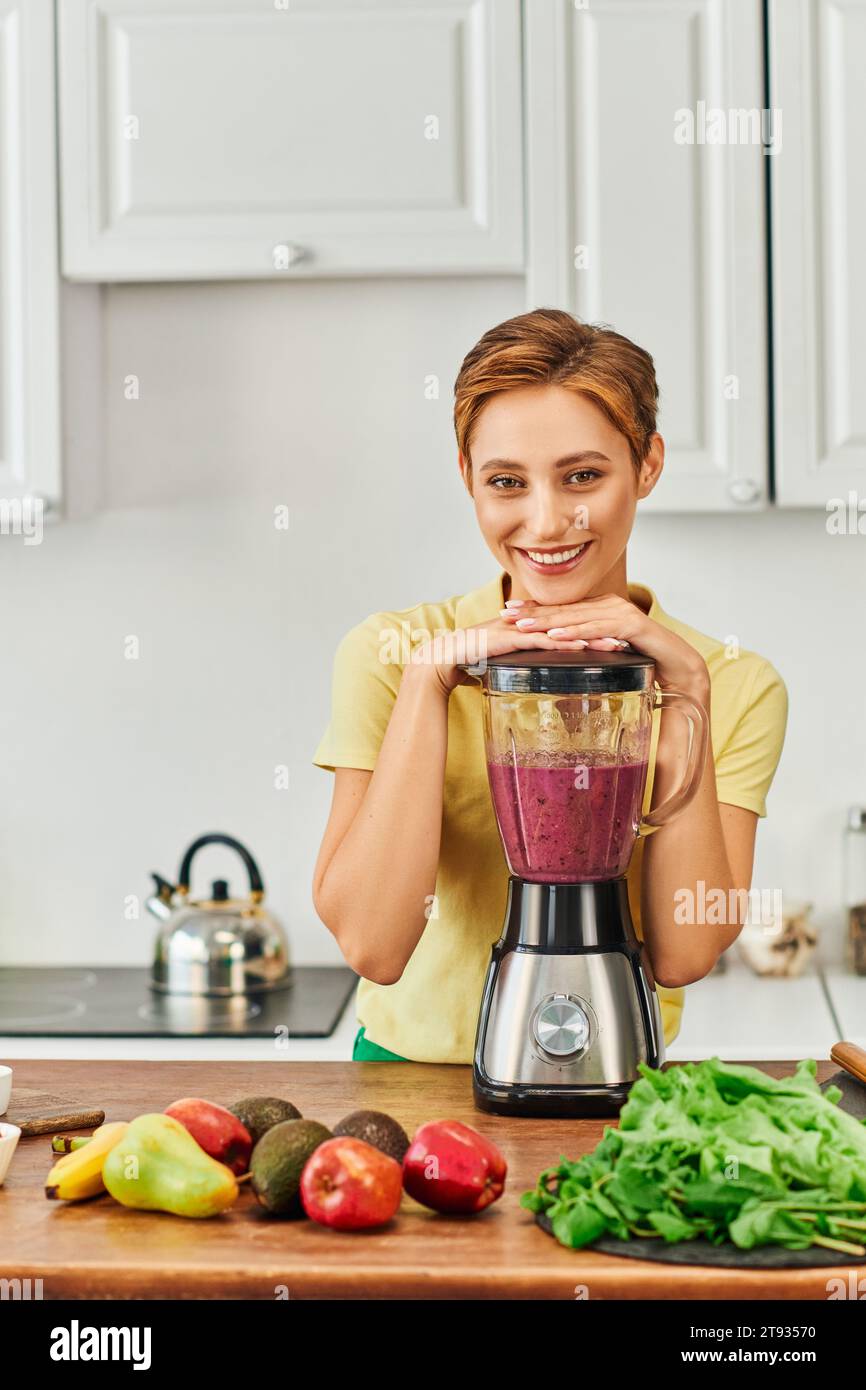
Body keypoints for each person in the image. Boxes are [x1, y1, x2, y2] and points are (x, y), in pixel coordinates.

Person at [312, 309, 788, 1063]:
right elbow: (374, 945)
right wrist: (428, 685)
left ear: (649, 464)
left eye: (584, 476)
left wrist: (687, 693)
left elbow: (686, 951)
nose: (546, 521)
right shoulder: (391, 653)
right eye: (507, 481)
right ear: (468, 477)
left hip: (621, 1083)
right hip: (405, 1088)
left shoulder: (731, 682)